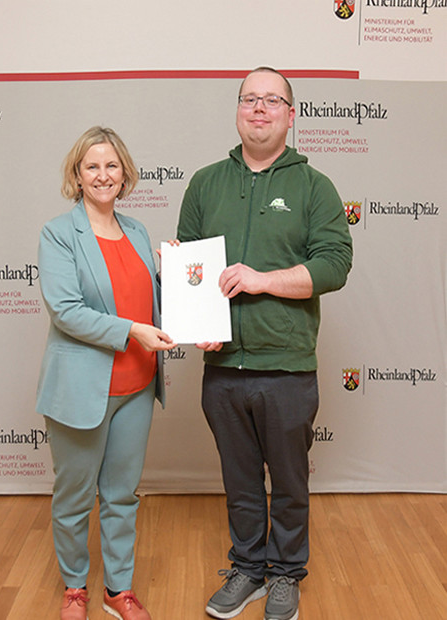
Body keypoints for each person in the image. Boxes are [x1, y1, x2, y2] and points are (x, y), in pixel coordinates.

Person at [179, 67, 351, 620]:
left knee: (290, 482)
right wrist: (192, 314)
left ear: (290, 113)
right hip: (223, 367)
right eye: (250, 99)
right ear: (237, 110)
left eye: (271, 100)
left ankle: (286, 574)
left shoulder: (314, 186)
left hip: (287, 367)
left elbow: (335, 264)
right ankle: (249, 568)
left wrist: (262, 279)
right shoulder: (205, 183)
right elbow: (188, 265)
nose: (259, 108)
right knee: (239, 479)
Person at [35, 126, 170, 620]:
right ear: (77, 175)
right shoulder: (58, 233)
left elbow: (149, 301)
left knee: (121, 495)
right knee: (74, 497)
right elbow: (66, 310)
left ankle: (119, 589)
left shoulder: (137, 231)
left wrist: (173, 274)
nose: (103, 175)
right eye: (92, 166)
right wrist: (134, 330)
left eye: (111, 165)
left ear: (125, 173)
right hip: (81, 390)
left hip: (137, 387)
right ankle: (75, 587)